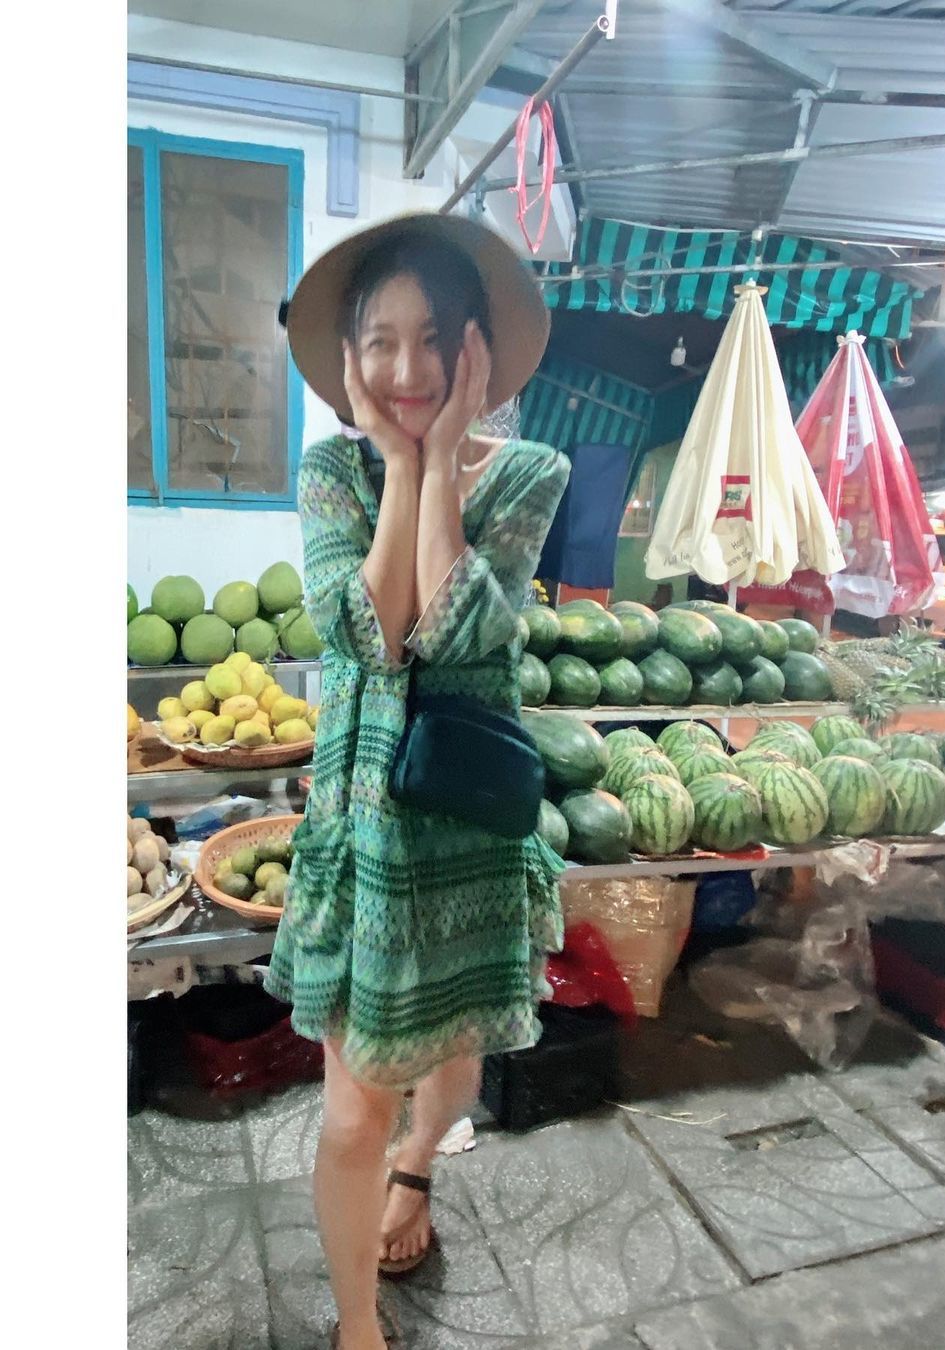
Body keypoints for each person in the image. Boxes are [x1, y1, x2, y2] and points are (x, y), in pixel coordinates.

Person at [270, 213, 570, 1350]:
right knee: (353, 1112)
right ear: (350, 356)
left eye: (434, 337)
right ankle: (356, 1321)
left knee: (452, 1057)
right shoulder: (329, 471)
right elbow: (373, 634)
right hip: (365, 833)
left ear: (476, 348)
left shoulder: (530, 473)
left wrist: (442, 461)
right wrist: (402, 464)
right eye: (381, 341)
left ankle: (422, 1168)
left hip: (471, 824)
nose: (408, 369)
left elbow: (460, 625)